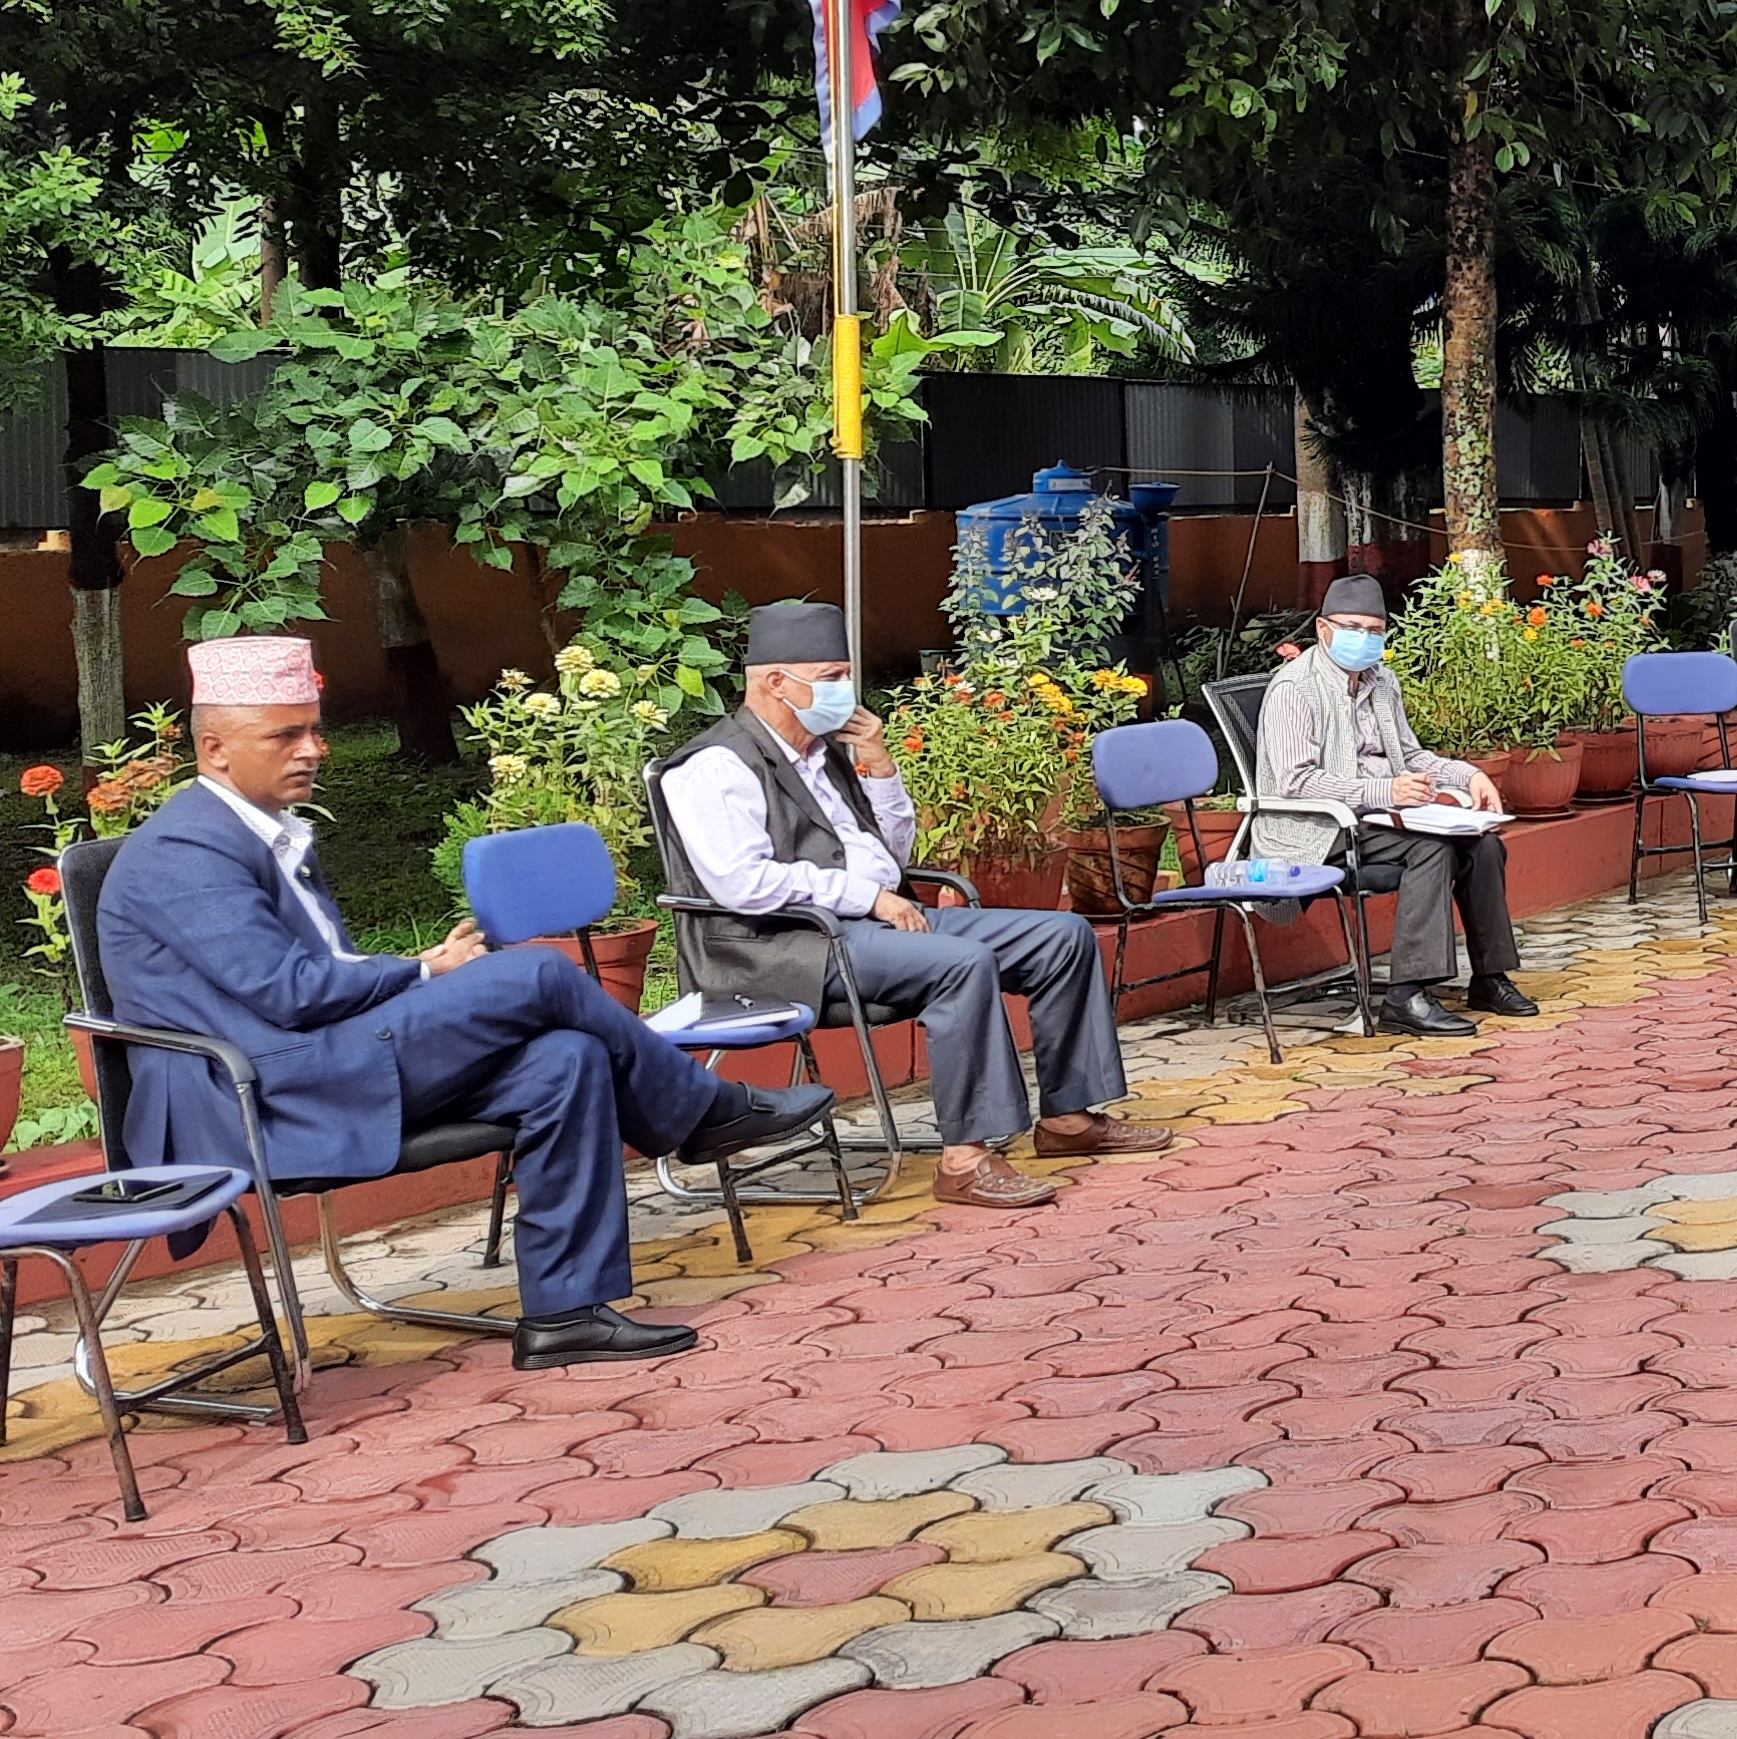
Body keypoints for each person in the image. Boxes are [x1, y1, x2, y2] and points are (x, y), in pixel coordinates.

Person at [99, 636, 834, 1369]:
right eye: (285, 735)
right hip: (256, 1093)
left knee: (567, 1058)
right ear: (216, 749)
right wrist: (423, 970)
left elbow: (310, 977)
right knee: (536, 974)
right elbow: (290, 992)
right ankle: (705, 1112)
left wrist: (420, 974)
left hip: (316, 1059)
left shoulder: (260, 830)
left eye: (316, 730)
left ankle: (566, 1315)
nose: (314, 749)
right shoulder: (185, 851)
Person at [659, 601, 1169, 1212]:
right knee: (960, 962)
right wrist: (868, 897)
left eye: (846, 676)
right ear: (775, 682)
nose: (845, 691)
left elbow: (892, 854)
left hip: (867, 926)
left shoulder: (825, 754)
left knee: (1061, 937)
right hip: (780, 947)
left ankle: (1068, 1118)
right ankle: (966, 1161)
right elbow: (742, 884)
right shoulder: (716, 766)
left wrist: (880, 769)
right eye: (830, 678)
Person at [1251, 573, 1533, 1034]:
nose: (1363, 639)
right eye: (1352, 628)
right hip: (1316, 828)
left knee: (1482, 844)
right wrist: (1385, 792)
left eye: (1374, 631)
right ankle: (1406, 995)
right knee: (1431, 849)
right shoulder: (1295, 688)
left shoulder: (1382, 681)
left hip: (1378, 820)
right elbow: (1295, 782)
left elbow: (1409, 755)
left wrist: (1468, 774)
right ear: (1323, 629)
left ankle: (1490, 977)